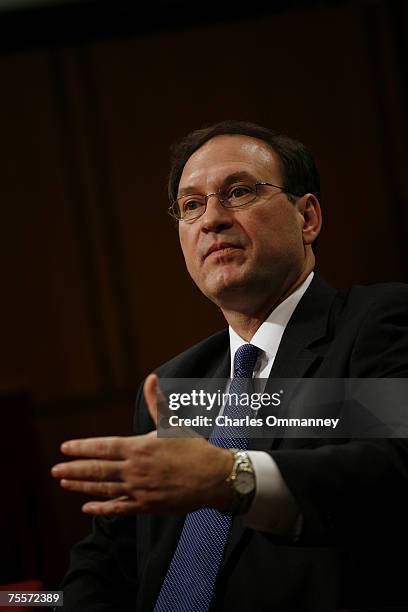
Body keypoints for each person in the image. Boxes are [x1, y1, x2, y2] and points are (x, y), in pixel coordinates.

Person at [52, 120, 408, 611]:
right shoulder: (176, 385)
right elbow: (109, 562)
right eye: (191, 205)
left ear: (307, 217)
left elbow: (388, 473)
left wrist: (231, 477)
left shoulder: (375, 323)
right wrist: (44, 599)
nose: (210, 220)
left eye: (238, 192)